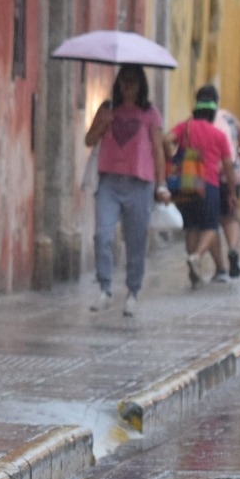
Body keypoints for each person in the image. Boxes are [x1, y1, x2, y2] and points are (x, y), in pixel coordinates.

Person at [83, 64, 171, 317]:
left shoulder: (149, 113)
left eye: (132, 82)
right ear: (118, 84)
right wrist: (103, 124)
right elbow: (89, 140)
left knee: (136, 241)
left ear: (140, 85)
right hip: (109, 181)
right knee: (103, 235)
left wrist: (161, 184)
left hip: (139, 184)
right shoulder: (107, 109)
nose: (127, 86)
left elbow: (157, 149)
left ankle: (133, 291)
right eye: (124, 81)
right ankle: (105, 290)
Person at [165, 85, 236, 288]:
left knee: (192, 228)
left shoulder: (185, 128)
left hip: (188, 183)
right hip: (210, 184)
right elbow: (229, 167)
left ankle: (193, 273)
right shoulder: (218, 135)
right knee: (211, 227)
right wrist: (231, 192)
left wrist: (170, 157)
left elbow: (166, 139)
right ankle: (196, 257)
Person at [212, 103, 240, 281]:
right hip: (234, 174)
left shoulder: (198, 119)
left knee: (210, 223)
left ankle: (220, 268)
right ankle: (233, 248)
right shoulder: (231, 119)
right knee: (230, 217)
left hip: (210, 176)